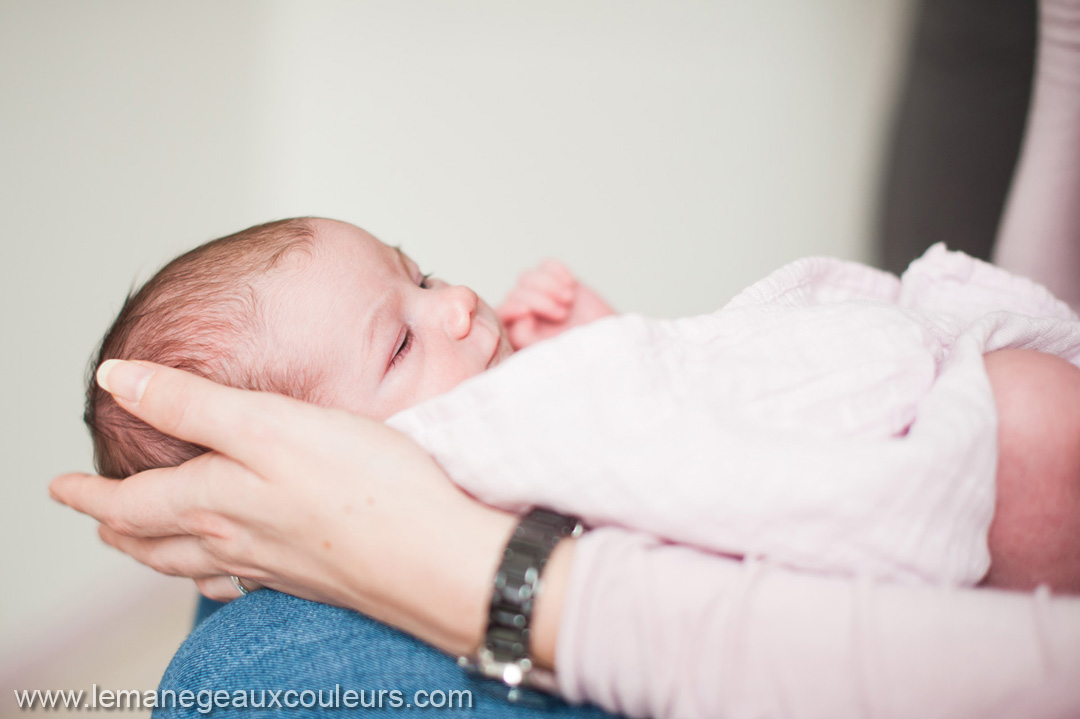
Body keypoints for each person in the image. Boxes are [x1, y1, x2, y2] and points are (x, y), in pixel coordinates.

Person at [50, 0, 1080, 716]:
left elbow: (692, 440)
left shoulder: (485, 447)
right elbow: (672, 490)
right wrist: (602, 356)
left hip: (981, 451)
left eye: (421, 272)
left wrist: (612, 354)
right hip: (1012, 477)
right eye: (403, 335)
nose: (457, 301)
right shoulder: (484, 451)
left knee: (237, 653)